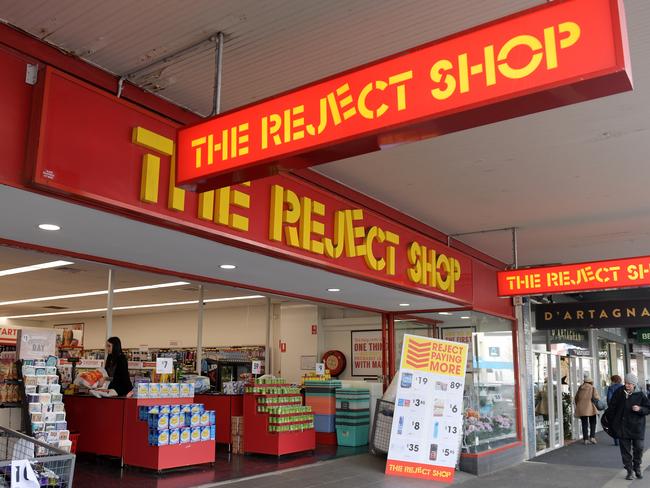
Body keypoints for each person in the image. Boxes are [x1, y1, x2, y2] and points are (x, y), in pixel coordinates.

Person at [605, 373, 650, 480]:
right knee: (625, 451)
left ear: (634, 384)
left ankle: (637, 466)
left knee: (639, 448)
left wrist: (640, 409)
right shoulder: (619, 392)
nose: (627, 385)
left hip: (637, 427)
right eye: (626, 383)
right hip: (622, 426)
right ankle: (629, 471)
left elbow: (648, 408)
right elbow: (612, 407)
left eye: (629, 383)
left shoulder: (640, 394)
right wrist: (613, 422)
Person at [575, 376, 600, 445]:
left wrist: (579, 405)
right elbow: (596, 397)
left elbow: (576, 398)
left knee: (584, 423)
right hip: (590, 407)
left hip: (581, 408)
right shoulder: (592, 388)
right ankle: (592, 437)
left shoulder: (580, 388)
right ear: (591, 382)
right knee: (593, 422)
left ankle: (585, 439)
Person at [607, 375, 624, 446]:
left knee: (614, 424)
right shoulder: (624, 387)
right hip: (623, 408)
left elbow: (609, 399)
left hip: (614, 409)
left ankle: (616, 441)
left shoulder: (611, 388)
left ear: (613, 380)